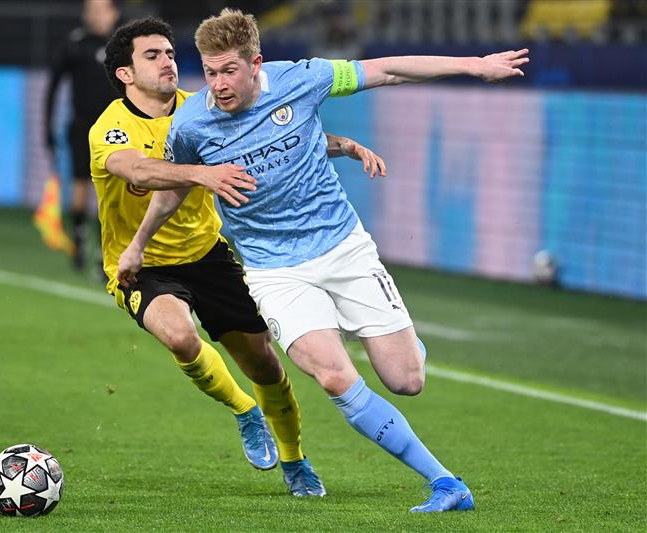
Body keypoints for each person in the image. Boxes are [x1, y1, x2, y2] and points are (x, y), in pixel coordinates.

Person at [118, 8, 530, 512]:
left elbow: (388, 70)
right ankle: (446, 483)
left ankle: (401, 342)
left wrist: (475, 66)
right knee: (335, 378)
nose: (218, 85)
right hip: (275, 271)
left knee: (406, 381)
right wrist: (137, 245)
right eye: (209, 72)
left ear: (256, 64)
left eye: (229, 71)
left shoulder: (303, 78)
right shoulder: (191, 122)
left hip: (343, 248)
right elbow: (176, 187)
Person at [89, 17, 385, 497]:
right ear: (125, 74)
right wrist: (200, 174)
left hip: (209, 254)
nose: (168, 61)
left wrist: (343, 145)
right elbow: (138, 169)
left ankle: (295, 461)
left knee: (266, 364)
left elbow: (272, 142)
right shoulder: (111, 129)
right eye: (152, 55)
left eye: (169, 52)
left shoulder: (201, 108)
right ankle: (245, 412)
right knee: (180, 336)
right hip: (142, 266)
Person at [45, 0, 121, 272]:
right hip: (81, 128)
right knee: (80, 191)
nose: (95, 15)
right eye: (91, 10)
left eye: (101, 9)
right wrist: (48, 130)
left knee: (111, 194)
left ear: (113, 12)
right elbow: (52, 87)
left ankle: (105, 255)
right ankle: (78, 239)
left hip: (116, 133)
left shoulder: (124, 46)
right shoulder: (74, 44)